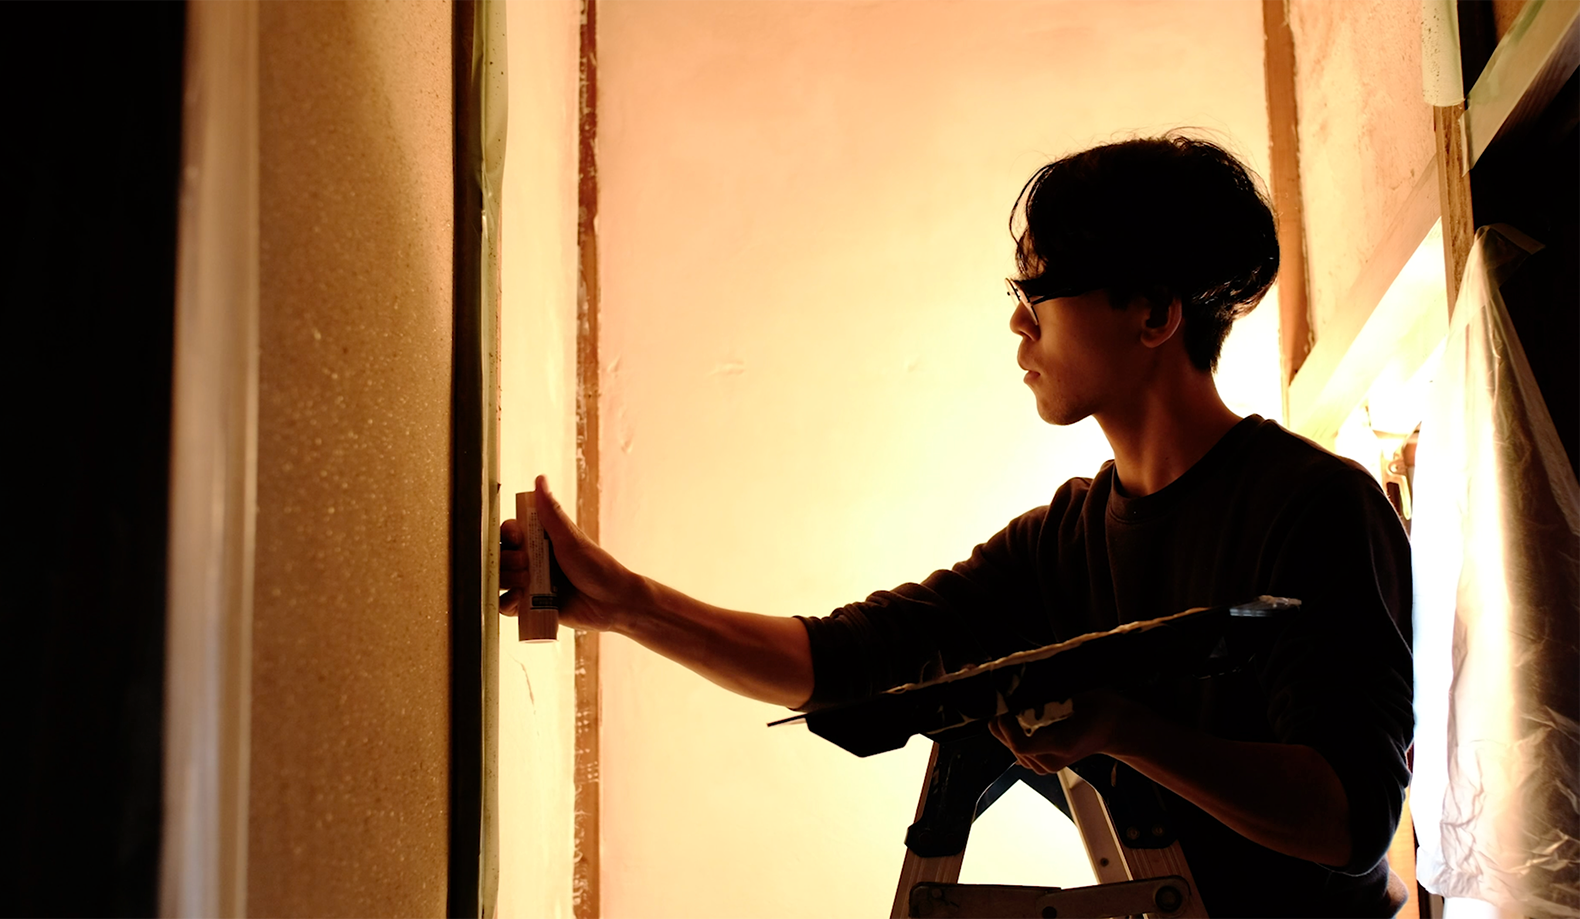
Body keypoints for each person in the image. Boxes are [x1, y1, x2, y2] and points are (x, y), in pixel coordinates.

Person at [498, 135, 1414, 918]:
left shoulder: (1314, 507)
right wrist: (624, 605)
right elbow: (841, 662)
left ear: (1153, 314)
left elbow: (1348, 818)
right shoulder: (1059, 542)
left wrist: (1125, 726)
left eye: (1040, 287)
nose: (1017, 320)